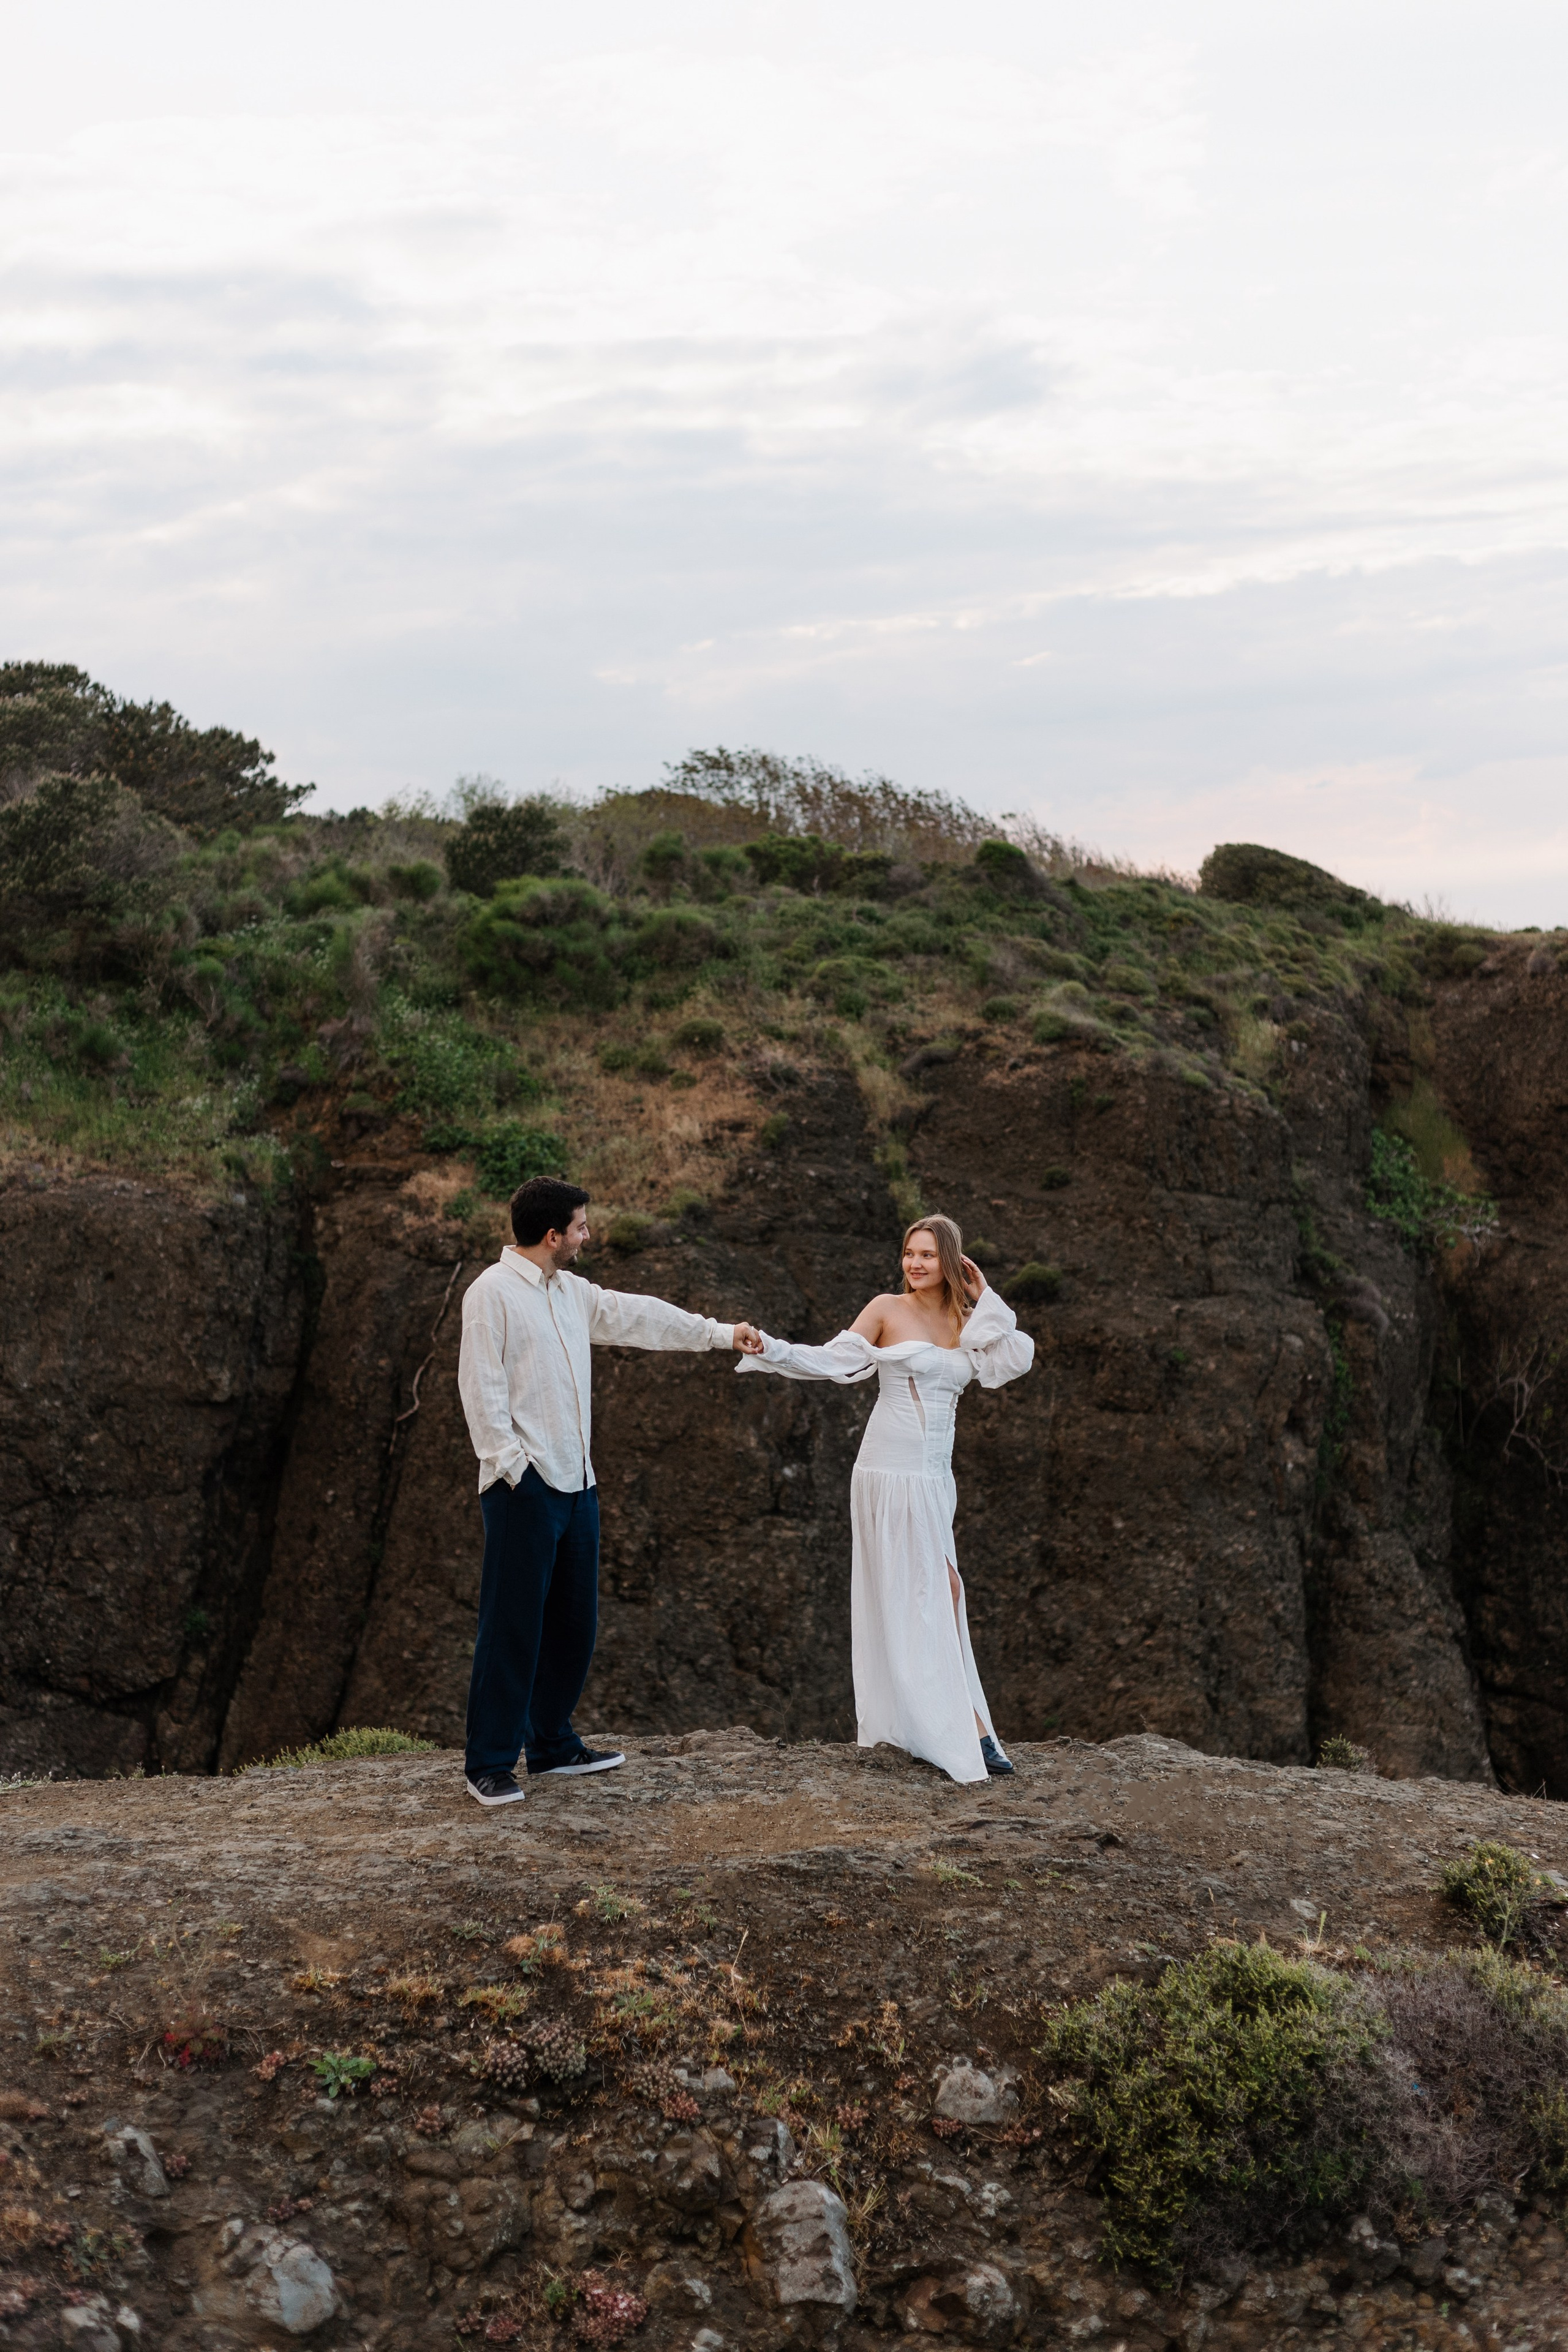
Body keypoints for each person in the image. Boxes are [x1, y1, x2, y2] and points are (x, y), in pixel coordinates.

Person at [457, 1175, 761, 1807]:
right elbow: (480, 1389)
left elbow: (638, 1316)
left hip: (579, 1483)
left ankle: (550, 1746)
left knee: (574, 1625)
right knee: (511, 1627)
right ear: (552, 1235)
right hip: (525, 1487)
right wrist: (513, 1468)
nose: (588, 1235)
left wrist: (718, 1332)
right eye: (581, 1227)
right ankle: (488, 1762)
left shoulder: (570, 1291)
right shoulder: (491, 1294)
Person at [735, 1213, 1033, 1784]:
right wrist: (771, 1347)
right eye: (908, 1253)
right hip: (889, 1468)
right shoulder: (884, 1309)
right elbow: (831, 1361)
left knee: (932, 1591)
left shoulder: (965, 1318)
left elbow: (1013, 1360)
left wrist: (985, 1294)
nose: (915, 1264)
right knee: (936, 1589)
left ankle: (938, 1726)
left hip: (935, 1477)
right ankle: (968, 1730)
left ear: (951, 1260)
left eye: (927, 1255)